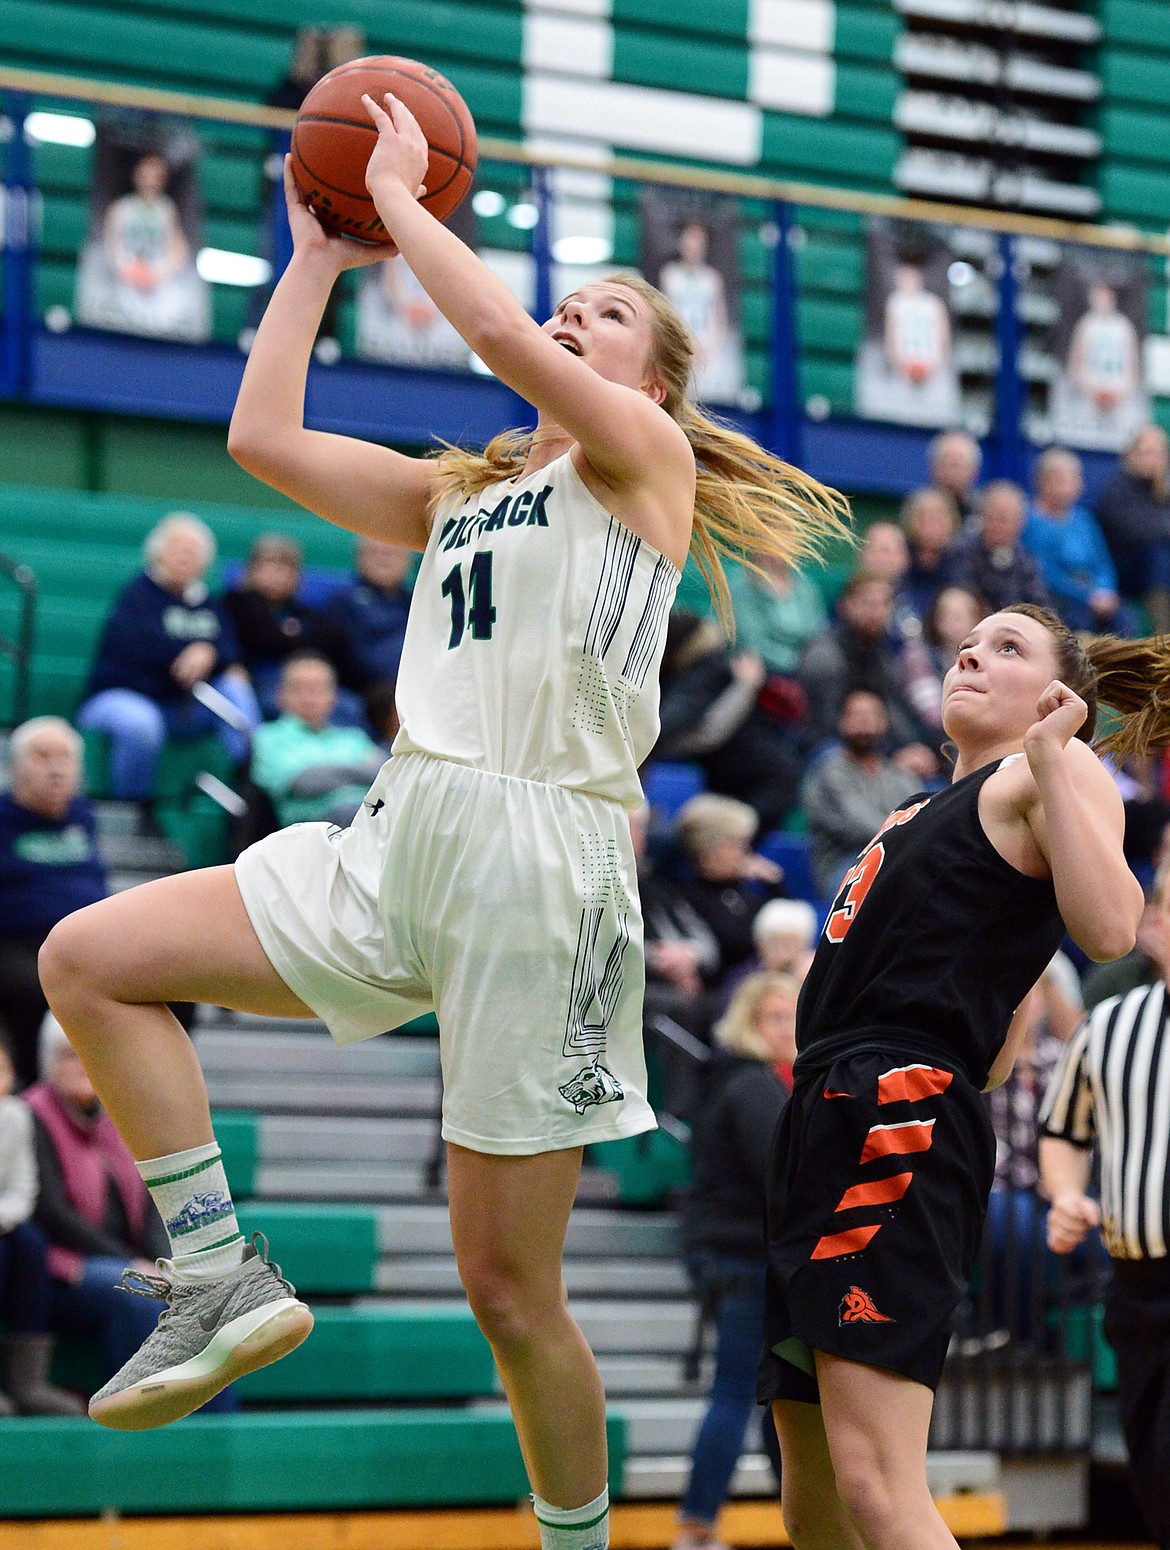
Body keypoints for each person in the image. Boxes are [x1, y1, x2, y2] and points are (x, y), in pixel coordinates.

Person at [38, 90, 848, 1550]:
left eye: (605, 314)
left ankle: (575, 1539)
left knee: (507, 1290)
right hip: (398, 832)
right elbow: (262, 434)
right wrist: (318, 257)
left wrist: (407, 203)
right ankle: (216, 1268)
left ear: (654, 386)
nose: (570, 319)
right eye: (572, 305)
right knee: (89, 956)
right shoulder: (466, 493)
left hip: (546, 864)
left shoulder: (638, 469)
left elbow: (497, 339)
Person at [759, 602, 1159, 1550]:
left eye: (1009, 646)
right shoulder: (920, 805)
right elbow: (998, 1047)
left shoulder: (1049, 771)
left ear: (1058, 698)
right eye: (970, 641)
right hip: (830, 1104)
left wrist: (1062, 755)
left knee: (876, 1480)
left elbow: (1109, 929)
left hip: (894, 1107)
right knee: (811, 1494)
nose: (973, 651)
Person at [1040, 856, 1170, 1550]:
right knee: (1151, 1463)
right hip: (1139, 1281)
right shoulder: (1109, 1026)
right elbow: (1063, 1131)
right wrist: (1065, 1195)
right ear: (1155, 928)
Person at [24, 1017, 235, 1414]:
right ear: (49, 1063)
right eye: (70, 1056)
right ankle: (145, 1427)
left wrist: (165, 1265)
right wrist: (130, 1263)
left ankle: (213, 1436)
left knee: (207, 1298)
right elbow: (49, 1211)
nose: (83, 1065)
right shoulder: (32, 1114)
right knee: (138, 1300)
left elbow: (156, 1197)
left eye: (89, 1054)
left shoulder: (118, 1114)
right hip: (63, 1270)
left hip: (130, 1263)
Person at [674, 972, 797, 1550]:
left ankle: (801, 1521)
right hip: (742, 1257)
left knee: (773, 1399)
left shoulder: (744, 1081)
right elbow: (783, 1174)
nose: (790, 1028)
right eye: (775, 1016)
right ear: (748, 1022)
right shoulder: (751, 1086)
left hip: (735, 1255)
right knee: (740, 1392)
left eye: (794, 1015)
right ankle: (697, 1526)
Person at [76, 513, 261, 801]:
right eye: (178, 548)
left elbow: (230, 649)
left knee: (235, 690)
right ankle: (134, 807)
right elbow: (140, 651)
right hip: (124, 697)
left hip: (182, 705)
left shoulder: (208, 604)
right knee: (141, 724)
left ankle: (255, 783)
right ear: (157, 553)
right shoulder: (137, 595)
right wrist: (192, 652)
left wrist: (209, 652)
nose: (186, 557)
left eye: (195, 552)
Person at [0, 718, 108, 1090]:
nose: (55, 767)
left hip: (88, 940)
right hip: (18, 944)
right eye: (42, 756)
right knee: (30, 986)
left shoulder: (83, 817)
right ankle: (36, 1091)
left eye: (64, 757)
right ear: (14, 767)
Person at [654, 613, 803, 835]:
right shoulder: (708, 669)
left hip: (756, 776)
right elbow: (699, 734)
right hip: (746, 773)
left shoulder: (705, 669)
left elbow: (699, 734)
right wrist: (744, 688)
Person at [0, 1031, 86, 1415]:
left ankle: (27, 1382)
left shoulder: (16, 1116)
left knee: (31, 1244)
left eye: (2, 1070)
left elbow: (24, 1187)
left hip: (4, 1220)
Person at [800, 690, 922, 901]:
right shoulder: (828, 772)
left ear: (884, 722)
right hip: (847, 863)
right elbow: (861, 825)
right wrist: (912, 843)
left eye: (872, 714)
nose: (865, 721)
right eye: (856, 715)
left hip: (899, 858)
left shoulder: (899, 774)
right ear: (842, 722)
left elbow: (921, 817)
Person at [222, 533, 351, 719]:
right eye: (268, 568)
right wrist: (291, 636)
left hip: (308, 681)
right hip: (260, 682)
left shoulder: (303, 611)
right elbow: (262, 639)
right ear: (251, 571)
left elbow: (331, 643)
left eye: (284, 569)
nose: (276, 576)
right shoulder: (235, 603)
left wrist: (286, 637)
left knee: (347, 706)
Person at [249, 653, 383, 828]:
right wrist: (362, 773)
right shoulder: (267, 737)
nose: (309, 696)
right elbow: (302, 783)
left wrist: (326, 772)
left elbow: (387, 773)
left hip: (370, 817)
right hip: (312, 831)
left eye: (318, 688)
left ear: (334, 696)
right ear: (280, 695)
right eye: (299, 688)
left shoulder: (354, 737)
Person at [672, 795, 786, 987]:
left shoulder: (744, 892)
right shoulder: (688, 897)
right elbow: (735, 943)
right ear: (707, 851)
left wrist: (775, 883)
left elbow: (783, 922)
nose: (744, 852)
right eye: (735, 844)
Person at [1021, 449, 1122, 633]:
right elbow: (1044, 572)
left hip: (1096, 599)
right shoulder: (1030, 522)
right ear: (1041, 482)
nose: (1066, 487)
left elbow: (1103, 563)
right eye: (1060, 480)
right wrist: (1087, 597)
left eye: (1071, 480)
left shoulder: (1085, 520)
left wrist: (1105, 590)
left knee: (1123, 618)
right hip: (1060, 602)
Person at [321, 536, 415, 708]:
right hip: (369, 692)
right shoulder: (344, 601)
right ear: (359, 558)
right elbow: (348, 657)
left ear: (407, 561)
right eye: (374, 553)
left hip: (413, 687)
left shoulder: (418, 600)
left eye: (392, 553)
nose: (384, 559)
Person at [1095, 424, 1170, 636]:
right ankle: (1163, 638)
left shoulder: (1163, 489)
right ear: (1131, 455)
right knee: (1159, 556)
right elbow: (1137, 532)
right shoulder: (1116, 488)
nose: (1152, 459)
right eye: (1146, 452)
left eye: (1157, 453)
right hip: (1120, 571)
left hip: (1155, 571)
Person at [948, 480, 1049, 615]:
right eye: (993, 517)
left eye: (1005, 519)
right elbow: (962, 597)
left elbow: (1041, 605)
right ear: (981, 517)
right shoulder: (962, 551)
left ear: (1020, 523)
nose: (998, 526)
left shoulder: (1026, 559)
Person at [898, 488, 958, 624]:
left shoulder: (963, 562)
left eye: (939, 518)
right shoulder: (899, 556)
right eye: (924, 517)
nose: (932, 524)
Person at [927, 430, 981, 523]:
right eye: (946, 464)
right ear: (933, 469)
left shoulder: (982, 514)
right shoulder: (918, 511)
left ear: (974, 472)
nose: (951, 473)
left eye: (957, 465)